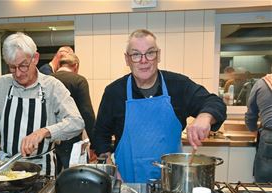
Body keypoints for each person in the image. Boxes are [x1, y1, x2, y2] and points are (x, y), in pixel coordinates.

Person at [93, 29, 227, 183]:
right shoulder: (114, 92)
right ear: (127, 59)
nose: (144, 61)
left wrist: (204, 117)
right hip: (126, 183)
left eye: (150, 53)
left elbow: (215, 103)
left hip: (172, 184)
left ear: (158, 55)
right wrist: (111, 170)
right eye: (136, 55)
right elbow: (100, 136)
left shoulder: (179, 85)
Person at [0, 32, 84, 177]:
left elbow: (77, 122)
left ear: (35, 58)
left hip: (41, 171)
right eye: (12, 67)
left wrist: (44, 131)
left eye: (23, 66)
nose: (18, 73)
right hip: (6, 169)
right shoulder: (0, 85)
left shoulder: (52, 87)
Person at [51, 53, 95, 172]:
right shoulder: (78, 80)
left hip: (50, 139)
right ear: (75, 66)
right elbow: (87, 113)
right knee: (75, 178)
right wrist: (94, 144)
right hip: (72, 140)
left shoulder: (48, 80)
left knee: (52, 180)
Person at [245, 72, 272, 182]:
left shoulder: (262, 84)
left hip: (270, 136)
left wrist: (253, 129)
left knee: (265, 184)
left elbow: (251, 114)